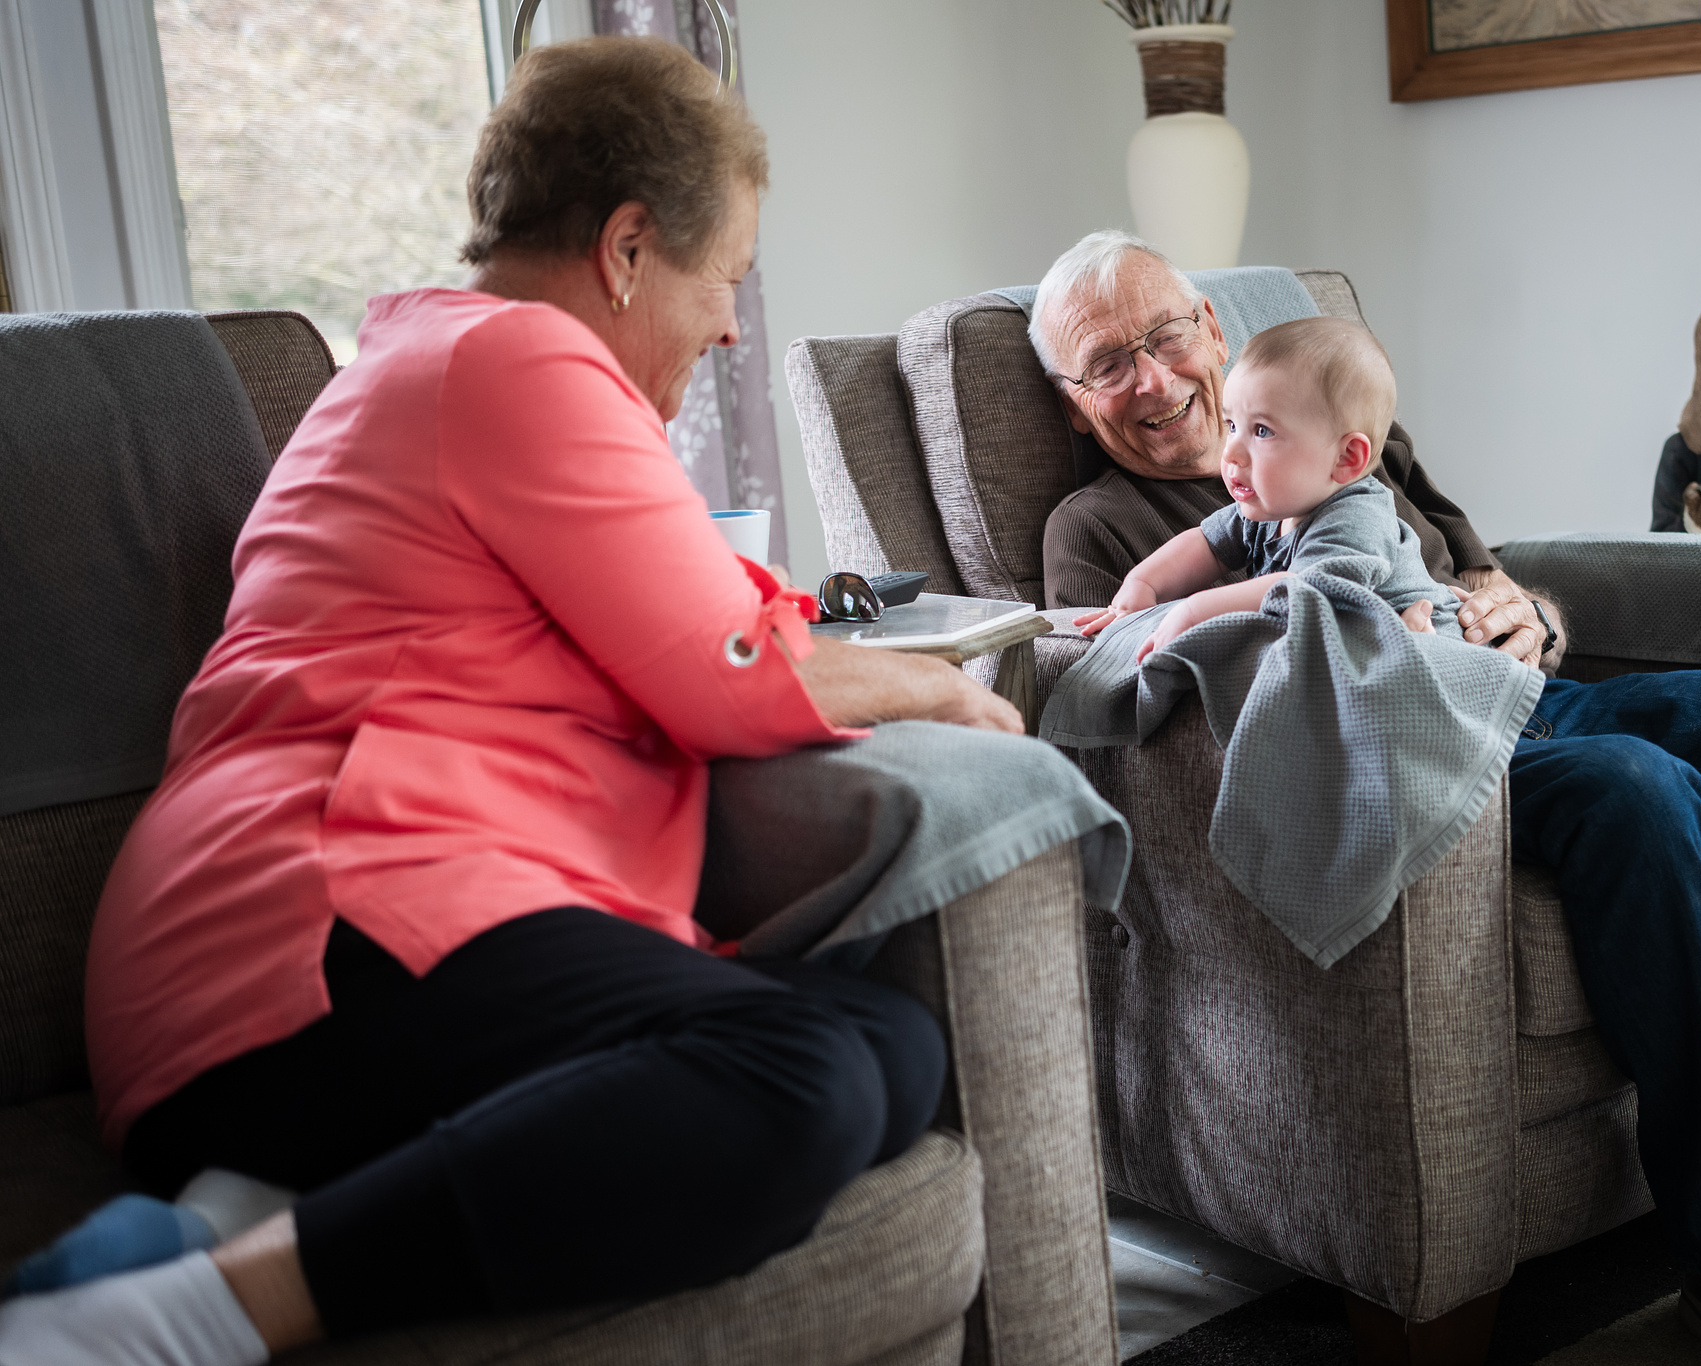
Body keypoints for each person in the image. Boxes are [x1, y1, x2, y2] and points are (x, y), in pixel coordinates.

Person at [0, 38, 1017, 1366]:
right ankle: (186, 1319)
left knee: (889, 1042)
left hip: (335, 955)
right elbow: (725, 671)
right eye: (725, 282)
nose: (725, 326)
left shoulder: (447, 365)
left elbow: (706, 616)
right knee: (805, 1071)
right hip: (309, 929)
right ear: (629, 247)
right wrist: (941, 686)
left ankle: (242, 1214)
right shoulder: (519, 362)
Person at [1028, 230, 1701, 1366]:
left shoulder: (1355, 438)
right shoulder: (1099, 528)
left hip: (1533, 699)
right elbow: (1123, 701)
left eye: (1165, 335)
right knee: (1639, 790)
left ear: (1208, 329)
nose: (1154, 379)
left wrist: (1530, 616)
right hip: (1425, 751)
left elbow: (1487, 573)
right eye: (1106, 363)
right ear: (1075, 406)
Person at [1076, 315, 1460, 663]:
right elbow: (1205, 545)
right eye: (1231, 426)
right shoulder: (1272, 507)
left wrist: (1192, 611)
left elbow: (1304, 592)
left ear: (1346, 458)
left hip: (1463, 678)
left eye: (1262, 431)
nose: (1231, 453)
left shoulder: (1358, 517)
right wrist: (1142, 587)